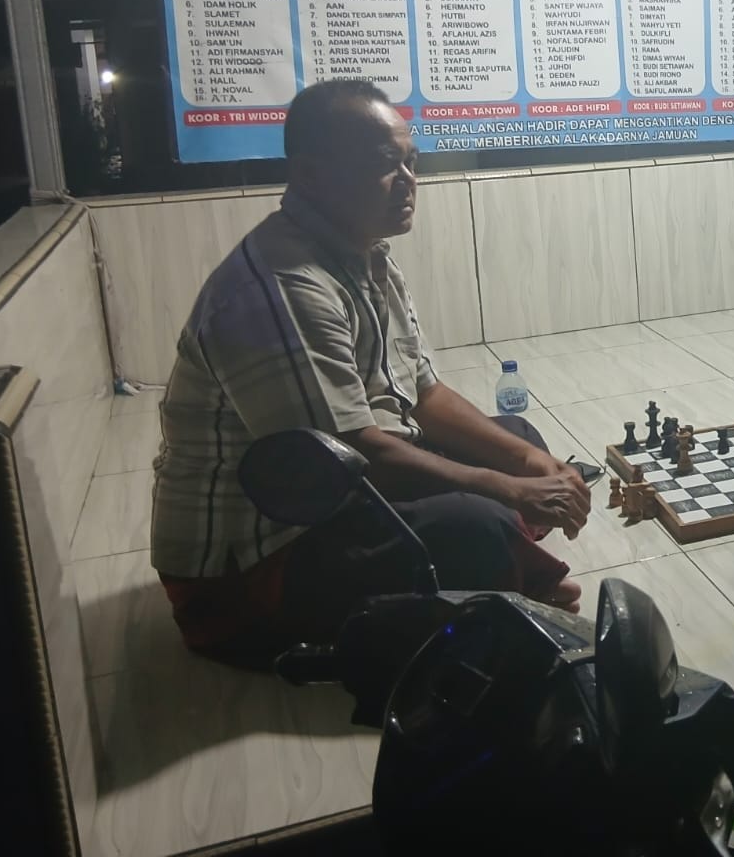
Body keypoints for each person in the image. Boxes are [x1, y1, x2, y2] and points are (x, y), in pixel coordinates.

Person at [150, 79, 592, 669]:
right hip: (247, 578)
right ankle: (500, 575)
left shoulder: (365, 255)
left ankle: (502, 572)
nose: (408, 180)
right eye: (385, 164)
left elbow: (424, 394)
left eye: (412, 162)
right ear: (310, 175)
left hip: (331, 495)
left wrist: (527, 463)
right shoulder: (281, 286)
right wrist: (505, 490)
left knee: (517, 438)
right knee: (475, 519)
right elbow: (357, 456)